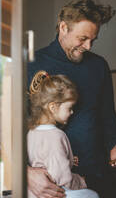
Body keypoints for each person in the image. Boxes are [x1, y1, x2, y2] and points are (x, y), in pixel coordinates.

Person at [27, 0, 116, 198]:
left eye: (93, 40)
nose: (88, 46)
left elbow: (108, 116)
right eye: (82, 39)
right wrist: (26, 173)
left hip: (99, 174)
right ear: (63, 28)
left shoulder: (99, 65)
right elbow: (9, 129)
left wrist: (115, 144)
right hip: (54, 184)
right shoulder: (31, 63)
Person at [27, 70, 99, 198]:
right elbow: (61, 178)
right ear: (53, 107)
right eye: (69, 108)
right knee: (92, 194)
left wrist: (69, 160)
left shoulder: (32, 132)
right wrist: (81, 180)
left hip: (33, 193)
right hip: (55, 191)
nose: (71, 112)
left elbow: (45, 159)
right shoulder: (56, 135)